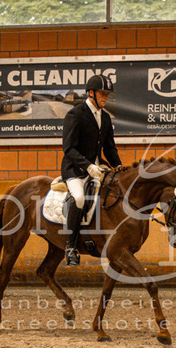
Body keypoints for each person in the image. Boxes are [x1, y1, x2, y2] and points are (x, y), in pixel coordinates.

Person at [61, 74, 122, 266]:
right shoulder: (75, 114)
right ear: (91, 93)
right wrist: (87, 166)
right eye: (103, 94)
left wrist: (118, 166)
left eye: (107, 94)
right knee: (79, 198)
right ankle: (70, 247)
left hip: (98, 168)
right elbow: (69, 148)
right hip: (76, 169)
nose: (106, 97)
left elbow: (109, 148)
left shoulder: (105, 117)